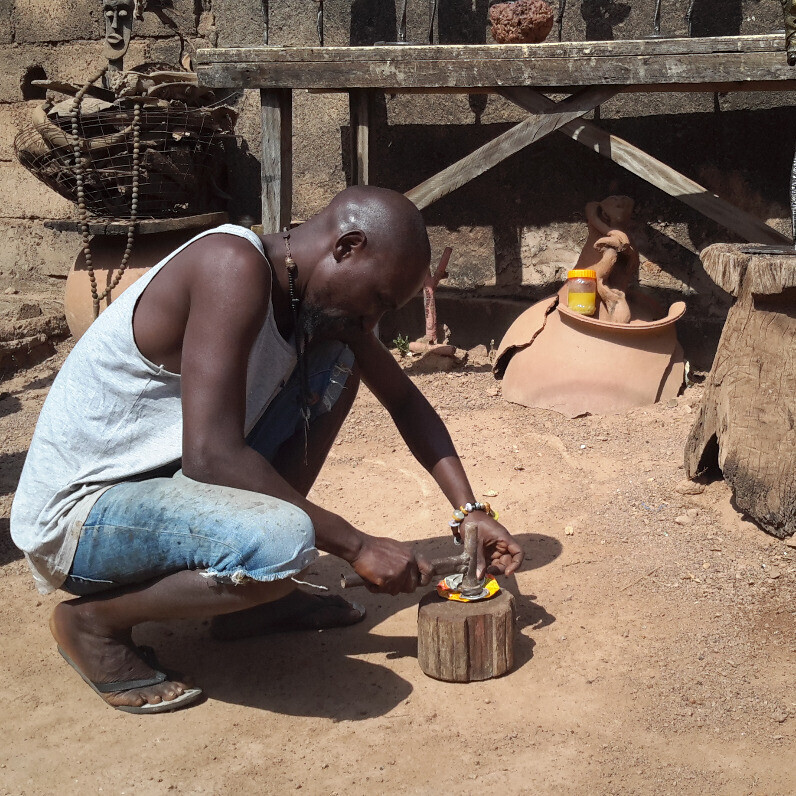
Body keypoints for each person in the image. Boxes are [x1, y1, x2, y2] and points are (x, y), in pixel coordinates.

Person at [11, 186, 524, 714]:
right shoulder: (230, 264)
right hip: (81, 518)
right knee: (282, 542)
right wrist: (357, 546)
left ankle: (248, 608)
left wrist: (470, 511)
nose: (372, 321)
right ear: (347, 246)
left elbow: (404, 401)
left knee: (338, 363)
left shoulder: (314, 303)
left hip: (158, 489)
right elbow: (210, 456)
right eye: (377, 301)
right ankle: (92, 623)